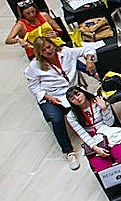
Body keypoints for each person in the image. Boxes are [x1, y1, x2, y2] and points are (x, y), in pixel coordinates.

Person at [24, 37, 98, 169]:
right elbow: (34, 87)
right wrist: (48, 97)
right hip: (52, 96)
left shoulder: (66, 52)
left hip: (71, 92)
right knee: (57, 119)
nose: (48, 51)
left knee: (91, 105)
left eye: (49, 46)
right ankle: (69, 151)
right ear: (39, 53)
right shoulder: (34, 66)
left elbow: (88, 48)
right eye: (44, 50)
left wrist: (89, 60)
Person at [64, 86, 121, 172]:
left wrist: (104, 109)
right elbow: (83, 134)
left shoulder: (99, 100)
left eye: (78, 94)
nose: (77, 98)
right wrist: (96, 149)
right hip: (91, 138)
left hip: (108, 131)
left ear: (83, 92)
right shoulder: (71, 116)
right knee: (102, 169)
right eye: (72, 99)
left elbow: (110, 123)